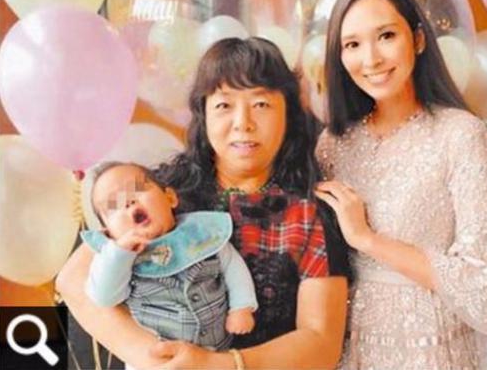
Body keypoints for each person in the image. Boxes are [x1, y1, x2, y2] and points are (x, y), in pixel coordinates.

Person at [56, 37, 350, 369]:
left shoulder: (309, 215)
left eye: (261, 104)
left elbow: (321, 343)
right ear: (203, 113)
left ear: (289, 113)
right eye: (224, 105)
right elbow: (73, 280)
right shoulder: (163, 191)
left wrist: (215, 365)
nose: (243, 122)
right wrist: (157, 359)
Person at [314, 0, 487, 369]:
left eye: (386, 36)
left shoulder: (461, 134)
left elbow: (485, 279)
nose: (371, 59)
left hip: (430, 349)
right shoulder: (332, 144)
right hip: (349, 348)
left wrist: (366, 239)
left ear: (418, 40)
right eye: (352, 44)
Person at [82, 161, 257, 351]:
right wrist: (120, 253)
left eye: (137, 189)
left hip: (221, 351)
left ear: (170, 198)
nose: (128, 203)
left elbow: (233, 266)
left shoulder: (200, 233)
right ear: (108, 231)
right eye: (114, 206)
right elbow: (104, 297)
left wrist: (242, 306)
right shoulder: (114, 260)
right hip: (162, 358)